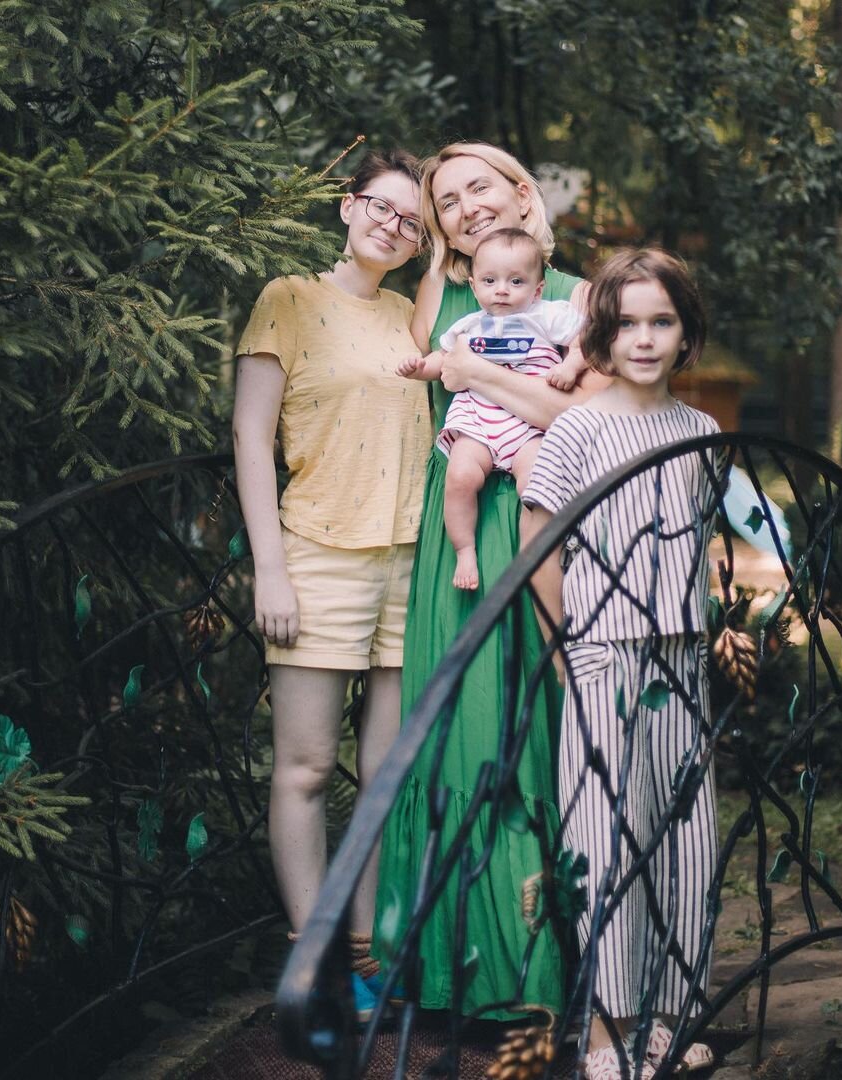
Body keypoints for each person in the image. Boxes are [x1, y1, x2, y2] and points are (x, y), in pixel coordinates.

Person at [373, 142, 610, 1021]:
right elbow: (409, 388)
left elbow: (586, 411)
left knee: (538, 730)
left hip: (545, 516)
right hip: (460, 533)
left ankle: (550, 976)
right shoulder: (441, 293)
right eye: (448, 200)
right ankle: (450, 973)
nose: (467, 206)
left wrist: (478, 374)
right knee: (464, 732)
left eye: (480, 187)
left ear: (519, 193)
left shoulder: (575, 295)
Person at [231, 149, 432, 1018]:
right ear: (348, 206)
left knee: (384, 774)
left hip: (409, 562)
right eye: (382, 207)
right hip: (316, 555)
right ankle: (311, 965)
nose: (394, 226)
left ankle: (365, 952)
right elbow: (250, 437)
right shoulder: (288, 298)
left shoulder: (410, 317)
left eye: (412, 222)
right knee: (308, 767)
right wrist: (270, 568)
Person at [521, 247, 721, 1079]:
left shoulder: (702, 432)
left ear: (684, 333)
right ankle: (608, 1029)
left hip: (682, 658)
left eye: (661, 322)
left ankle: (670, 1015)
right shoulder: (579, 427)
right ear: (602, 334)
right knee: (607, 839)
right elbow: (539, 542)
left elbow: (701, 540)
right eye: (628, 323)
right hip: (603, 653)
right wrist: (563, 648)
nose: (644, 339)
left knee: (685, 840)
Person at [396, 227, 586, 590]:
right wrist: (421, 368)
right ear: (474, 286)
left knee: (537, 482)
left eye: (516, 281)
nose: (502, 289)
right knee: (459, 476)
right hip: (479, 420)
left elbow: (584, 342)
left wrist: (570, 366)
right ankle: (465, 550)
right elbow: (443, 358)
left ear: (537, 289)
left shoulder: (546, 315)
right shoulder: (470, 324)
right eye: (490, 280)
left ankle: (545, 552)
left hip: (527, 424)